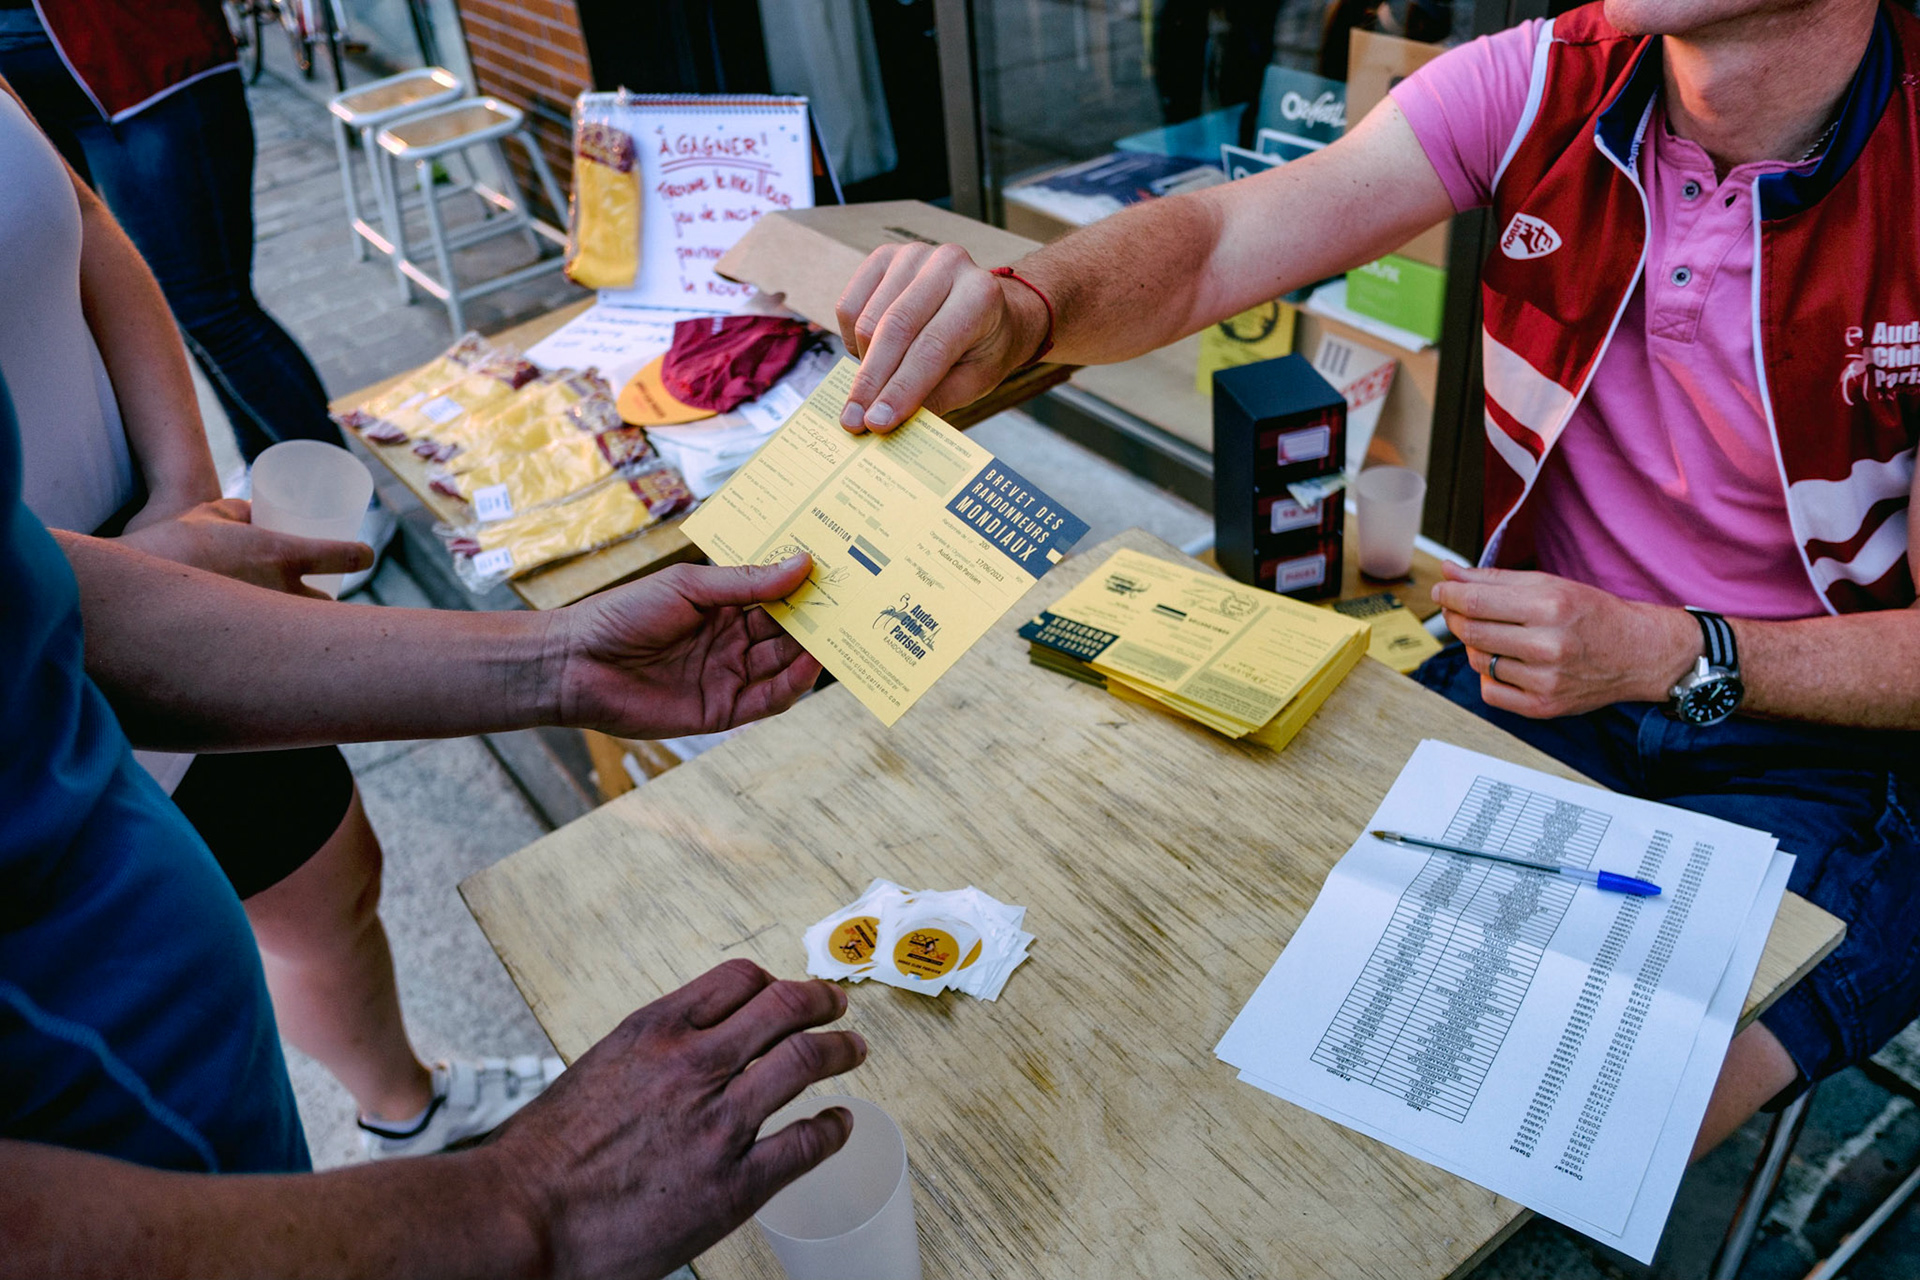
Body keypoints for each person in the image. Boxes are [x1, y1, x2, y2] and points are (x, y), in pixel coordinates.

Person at [831, 0, 1920, 1160]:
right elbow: (1215, 241)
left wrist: (1667, 651)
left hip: (1813, 735)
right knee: (1246, 980)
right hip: (1537, 679)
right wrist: (1026, 306)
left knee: (1574, 1123)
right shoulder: (1550, 74)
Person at [0, 343, 858, 1273]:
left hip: (206, 1126)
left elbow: (40, 607)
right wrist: (532, 1202)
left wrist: (559, 660)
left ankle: (408, 1116)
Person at [0, 71, 554, 1157]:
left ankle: (408, 1106)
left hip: (165, 542)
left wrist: (180, 490)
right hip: (28, 694)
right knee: (166, 1077)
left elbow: (81, 211)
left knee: (328, 873)